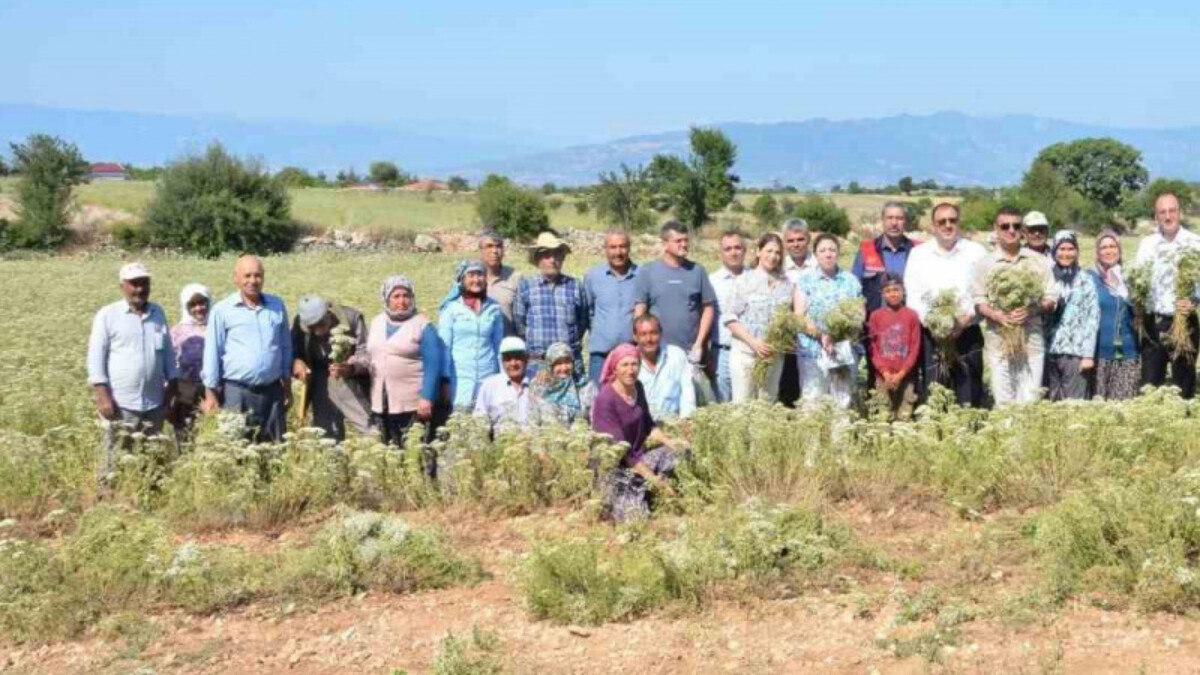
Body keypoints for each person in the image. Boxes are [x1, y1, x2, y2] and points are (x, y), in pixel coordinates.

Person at [88, 262, 178, 483]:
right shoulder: (108, 315)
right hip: (120, 404)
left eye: (144, 283)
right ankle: (107, 497)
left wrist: (171, 390)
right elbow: (95, 357)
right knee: (113, 457)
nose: (140, 288)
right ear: (122, 286)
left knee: (151, 458)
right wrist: (103, 395)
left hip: (154, 403)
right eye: (134, 284)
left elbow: (168, 353)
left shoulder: (158, 313)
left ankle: (148, 494)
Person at [904, 202, 988, 407]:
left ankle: (969, 427)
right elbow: (914, 295)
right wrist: (933, 323)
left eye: (952, 220)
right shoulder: (919, 254)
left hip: (967, 332)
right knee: (936, 396)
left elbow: (986, 290)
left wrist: (966, 318)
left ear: (959, 222)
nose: (948, 225)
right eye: (942, 221)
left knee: (969, 396)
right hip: (933, 336)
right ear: (933, 225)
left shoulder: (976, 252)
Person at [971, 207, 1057, 405]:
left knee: (1030, 400)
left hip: (1032, 342)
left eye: (1016, 226)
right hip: (999, 343)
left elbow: (1051, 299)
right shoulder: (984, 264)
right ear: (996, 228)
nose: (1011, 230)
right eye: (1005, 226)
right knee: (1004, 402)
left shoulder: (1039, 261)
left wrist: (1032, 310)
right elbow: (978, 301)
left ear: (1023, 230)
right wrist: (996, 315)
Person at [591, 344, 686, 523]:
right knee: (635, 518)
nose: (630, 370)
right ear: (615, 368)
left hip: (638, 460)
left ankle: (652, 491)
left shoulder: (638, 387)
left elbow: (649, 424)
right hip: (616, 469)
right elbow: (623, 453)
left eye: (634, 364)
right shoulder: (606, 399)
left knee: (681, 452)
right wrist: (654, 480)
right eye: (624, 365)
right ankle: (643, 493)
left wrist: (672, 443)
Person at [201, 255, 292, 442]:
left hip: (272, 391)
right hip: (237, 392)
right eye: (247, 275)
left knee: (275, 447)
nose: (253, 281)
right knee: (237, 447)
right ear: (236, 278)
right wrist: (210, 394)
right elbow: (212, 352)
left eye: (257, 275)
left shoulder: (277, 306)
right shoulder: (222, 310)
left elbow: (285, 346)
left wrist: (287, 387)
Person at [1135, 192, 1200, 398]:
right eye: (1162, 212)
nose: (1168, 216)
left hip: (1184, 323)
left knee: (1184, 387)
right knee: (1150, 385)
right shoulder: (1147, 244)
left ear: (1180, 213)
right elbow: (1138, 277)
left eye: (1172, 211)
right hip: (1153, 324)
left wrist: (1195, 300)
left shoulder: (1194, 242)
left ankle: (1184, 416)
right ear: (1156, 216)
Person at [366, 276, 444, 447]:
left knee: (414, 449)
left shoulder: (423, 325)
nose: (401, 301)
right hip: (381, 402)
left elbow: (433, 365)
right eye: (396, 296)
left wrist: (427, 398)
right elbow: (369, 355)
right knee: (387, 449)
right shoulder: (377, 322)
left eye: (406, 296)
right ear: (387, 299)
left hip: (412, 404)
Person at [794, 234, 862, 408]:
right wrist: (821, 335)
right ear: (815, 254)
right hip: (812, 350)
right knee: (812, 401)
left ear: (838, 253)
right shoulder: (805, 280)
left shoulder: (850, 281)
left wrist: (839, 335)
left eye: (832, 249)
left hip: (842, 350)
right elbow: (799, 316)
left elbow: (859, 315)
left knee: (842, 402)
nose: (828, 254)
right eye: (822, 250)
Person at [723, 233, 794, 403]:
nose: (773, 256)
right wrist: (754, 343)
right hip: (745, 353)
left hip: (773, 356)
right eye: (769, 251)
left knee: (767, 403)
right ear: (758, 252)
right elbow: (730, 318)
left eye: (777, 253)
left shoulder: (786, 284)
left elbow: (788, 318)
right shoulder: (744, 280)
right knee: (743, 404)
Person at [290, 294, 372, 441]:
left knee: (370, 430)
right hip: (320, 382)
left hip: (351, 382)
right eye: (312, 327)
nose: (317, 329)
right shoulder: (299, 323)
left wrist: (351, 368)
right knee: (327, 436)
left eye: (320, 323)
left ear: (328, 312)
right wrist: (297, 362)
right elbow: (292, 351)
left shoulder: (351, 318)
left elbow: (367, 354)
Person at [633, 220, 716, 363]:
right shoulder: (648, 271)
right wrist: (639, 343)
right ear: (665, 244)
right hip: (657, 350)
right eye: (678, 241)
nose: (684, 244)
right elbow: (640, 310)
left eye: (686, 240)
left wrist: (699, 343)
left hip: (689, 351)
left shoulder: (697, 271)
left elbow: (708, 308)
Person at [513, 231, 590, 378]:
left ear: (563, 258)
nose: (552, 260)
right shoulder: (526, 287)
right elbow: (520, 324)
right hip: (538, 364)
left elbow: (582, 321)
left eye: (557, 255)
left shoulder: (575, 286)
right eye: (547, 255)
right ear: (538, 259)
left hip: (569, 364)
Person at [438, 260, 505, 411]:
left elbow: (498, 345)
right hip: (459, 378)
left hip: (488, 375)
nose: (476, 280)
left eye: (480, 275)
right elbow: (444, 346)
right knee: (460, 418)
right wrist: (444, 378)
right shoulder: (451, 309)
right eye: (471, 275)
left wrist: (503, 377)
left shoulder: (494, 308)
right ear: (462, 280)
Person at [1044, 231, 1100, 401]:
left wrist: (1088, 355)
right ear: (1054, 250)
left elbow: (1092, 318)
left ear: (1077, 251)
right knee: (1050, 402)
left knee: (1074, 403)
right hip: (1048, 351)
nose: (1066, 253)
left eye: (1070, 249)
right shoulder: (1046, 277)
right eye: (1062, 249)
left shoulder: (1085, 279)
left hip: (1075, 353)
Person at [1088, 230, 1141, 400]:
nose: (1109, 251)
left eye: (1113, 246)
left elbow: (1140, 313)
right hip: (1098, 355)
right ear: (1097, 252)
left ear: (1119, 250)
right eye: (1104, 247)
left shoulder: (1131, 277)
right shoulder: (1089, 278)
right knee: (1098, 409)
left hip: (1127, 353)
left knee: (1123, 408)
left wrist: (1125, 290)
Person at [583, 231, 640, 384]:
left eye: (622, 246)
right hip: (601, 355)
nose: (618, 252)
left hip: (632, 354)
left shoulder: (642, 275)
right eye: (613, 247)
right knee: (598, 395)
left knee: (631, 396)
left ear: (629, 248)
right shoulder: (593, 276)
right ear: (605, 249)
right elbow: (588, 311)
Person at [867, 274, 922, 421]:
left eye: (896, 290)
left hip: (906, 376)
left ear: (903, 291)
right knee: (884, 416)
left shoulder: (912, 316)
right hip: (883, 377)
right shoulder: (875, 316)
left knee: (904, 417)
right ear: (882, 294)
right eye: (888, 291)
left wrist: (901, 374)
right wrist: (885, 372)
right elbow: (873, 349)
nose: (893, 294)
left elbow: (915, 348)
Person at [852, 203, 919, 315]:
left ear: (905, 222)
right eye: (889, 218)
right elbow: (854, 288)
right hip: (874, 322)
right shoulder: (866, 249)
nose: (894, 223)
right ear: (882, 220)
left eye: (899, 218)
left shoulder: (918, 250)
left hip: (910, 321)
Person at [633, 313, 696, 421]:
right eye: (643, 334)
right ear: (635, 337)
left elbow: (687, 391)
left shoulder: (676, 355)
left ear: (661, 334)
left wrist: (686, 420)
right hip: (640, 426)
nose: (649, 339)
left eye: (653, 333)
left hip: (673, 424)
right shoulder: (629, 361)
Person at [708, 230, 746, 402]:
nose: (733, 252)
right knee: (721, 406)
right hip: (722, 353)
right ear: (721, 253)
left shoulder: (756, 277)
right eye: (728, 249)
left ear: (745, 250)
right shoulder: (712, 281)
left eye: (737, 247)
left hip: (748, 352)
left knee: (747, 405)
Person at [780, 218, 815, 406]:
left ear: (808, 239)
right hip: (787, 338)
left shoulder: (819, 264)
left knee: (814, 388)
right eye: (791, 240)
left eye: (800, 239)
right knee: (788, 386)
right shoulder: (779, 267)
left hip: (815, 336)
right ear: (784, 243)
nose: (796, 244)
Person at [170, 283, 210, 444]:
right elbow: (170, 363)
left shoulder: (218, 327)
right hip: (186, 392)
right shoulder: (177, 331)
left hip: (215, 389)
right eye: (192, 304)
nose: (198, 308)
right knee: (186, 436)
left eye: (202, 303)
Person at [474, 336, 534, 432]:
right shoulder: (490, 386)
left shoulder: (537, 381)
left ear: (526, 359)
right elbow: (479, 423)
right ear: (501, 361)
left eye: (518, 358)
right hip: (502, 440)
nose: (513, 363)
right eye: (508, 359)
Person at [533, 342, 596, 425]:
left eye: (567, 362)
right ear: (550, 365)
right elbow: (532, 422)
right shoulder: (540, 387)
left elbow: (595, 418)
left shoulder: (585, 386)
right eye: (558, 363)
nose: (564, 368)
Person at [479, 230, 523, 336]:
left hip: (507, 342)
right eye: (489, 246)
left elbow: (523, 317)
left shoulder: (515, 278)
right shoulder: (472, 279)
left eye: (498, 246)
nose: (495, 251)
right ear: (480, 250)